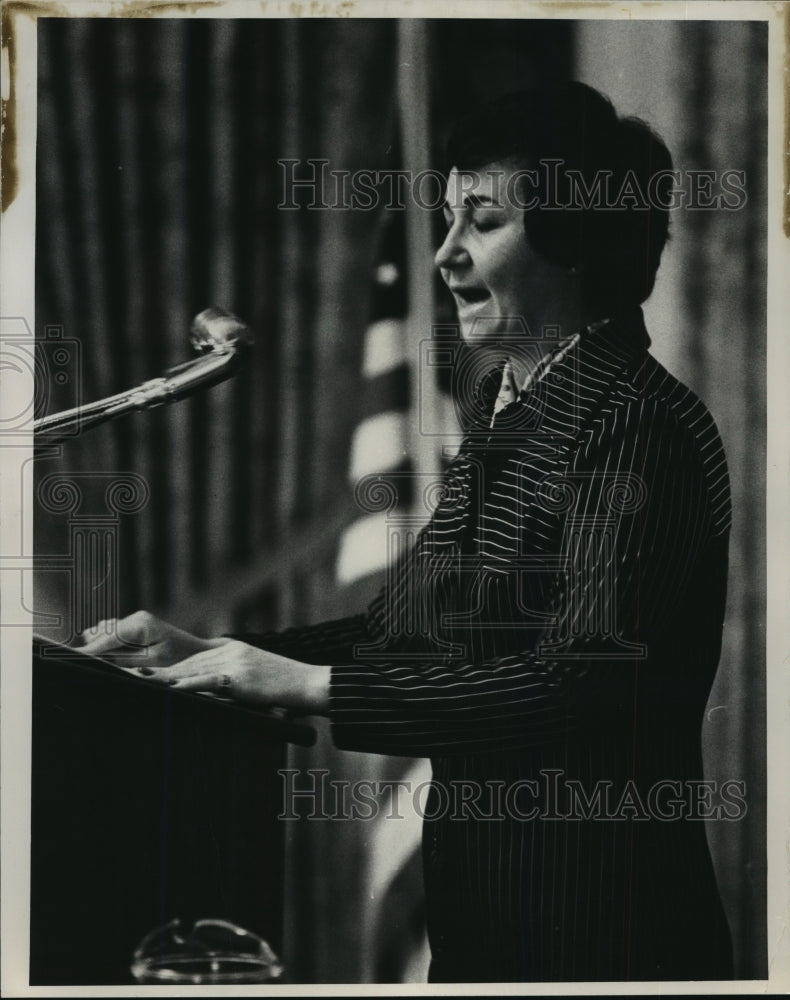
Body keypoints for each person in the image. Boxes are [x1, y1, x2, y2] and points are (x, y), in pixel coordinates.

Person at [80, 82, 734, 982]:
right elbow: (413, 629)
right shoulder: (509, 402)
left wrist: (310, 686)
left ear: (573, 239)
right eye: (447, 219)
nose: (445, 255)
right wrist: (217, 653)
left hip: (595, 927)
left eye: (482, 221)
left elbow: (580, 686)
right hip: (485, 919)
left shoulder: (635, 425)